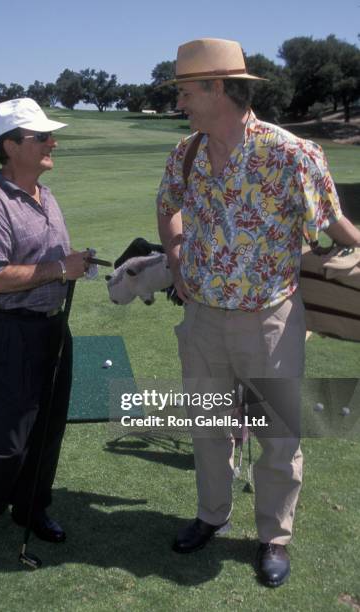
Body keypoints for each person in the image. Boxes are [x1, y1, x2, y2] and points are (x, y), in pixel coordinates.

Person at [156, 38, 360, 587]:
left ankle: (274, 537)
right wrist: (176, 259)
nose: (180, 104)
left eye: (185, 92)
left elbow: (335, 224)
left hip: (270, 319)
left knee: (277, 435)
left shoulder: (292, 153)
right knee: (208, 427)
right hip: (201, 319)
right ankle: (212, 516)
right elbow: (167, 207)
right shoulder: (187, 152)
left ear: (217, 89)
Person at [0, 98, 89, 567]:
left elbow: (51, 262)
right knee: (7, 444)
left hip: (52, 331)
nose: (53, 142)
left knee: (48, 431)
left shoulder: (44, 195)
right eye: (41, 137)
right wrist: (58, 269)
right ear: (11, 147)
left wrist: (73, 265)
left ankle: (30, 509)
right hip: (7, 334)